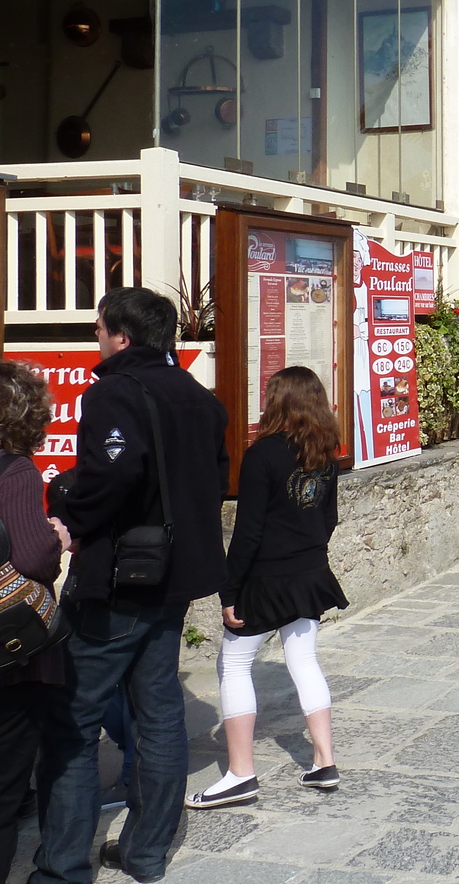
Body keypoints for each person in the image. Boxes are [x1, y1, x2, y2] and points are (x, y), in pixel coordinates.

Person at [33, 286, 230, 884]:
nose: (96, 339)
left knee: (72, 717)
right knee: (160, 711)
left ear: (120, 335)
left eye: (97, 330)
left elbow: (114, 473)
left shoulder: (114, 391)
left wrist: (69, 506)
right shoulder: (199, 397)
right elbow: (213, 480)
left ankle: (63, 867)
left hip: (121, 579)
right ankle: (146, 852)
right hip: (176, 576)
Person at [187, 367, 348, 810]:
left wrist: (229, 591)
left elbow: (248, 533)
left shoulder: (263, 455)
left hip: (266, 578)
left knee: (234, 664)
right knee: (304, 660)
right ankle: (324, 760)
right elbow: (328, 518)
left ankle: (241, 774)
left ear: (278, 402)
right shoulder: (325, 453)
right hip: (310, 573)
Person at [0, 363, 69, 880]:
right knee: (4, 792)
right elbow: (34, 559)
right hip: (9, 655)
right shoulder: (16, 470)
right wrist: (58, 539)